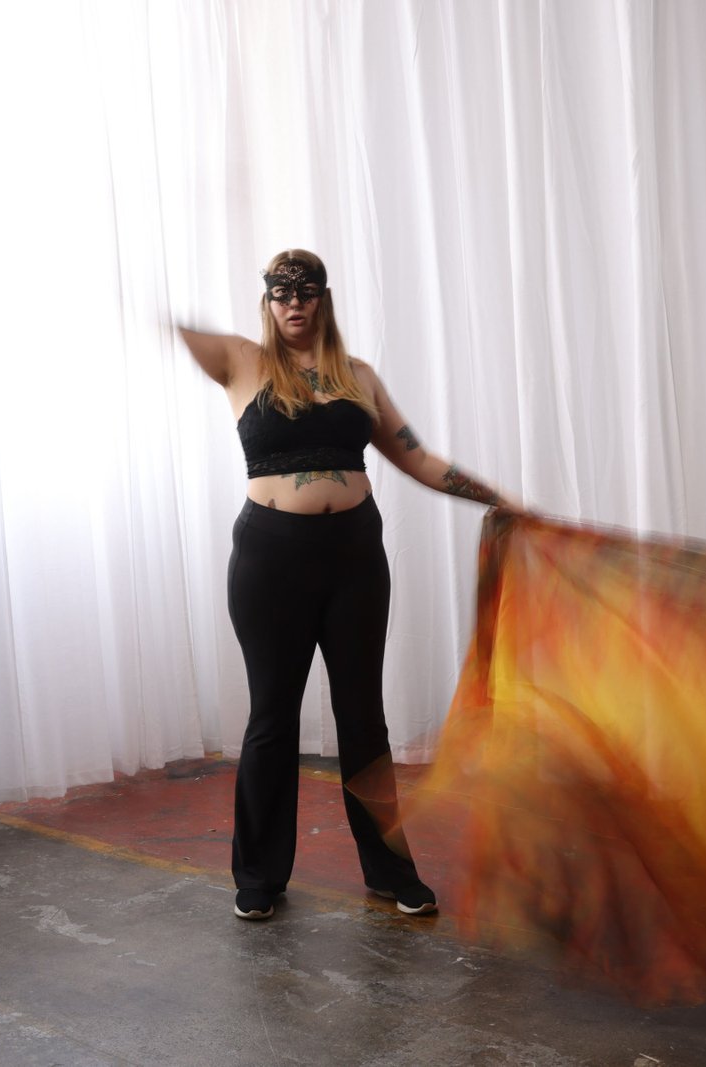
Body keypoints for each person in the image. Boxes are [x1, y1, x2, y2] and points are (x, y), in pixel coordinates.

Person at [179, 248, 522, 921]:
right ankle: (259, 875)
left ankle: (391, 871)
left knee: (364, 718)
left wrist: (495, 496)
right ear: (267, 301)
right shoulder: (242, 362)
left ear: (323, 298)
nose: (294, 303)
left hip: (355, 557)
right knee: (271, 717)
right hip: (270, 559)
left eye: (305, 291)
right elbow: (174, 325)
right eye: (281, 292)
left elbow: (417, 457)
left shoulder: (358, 376)